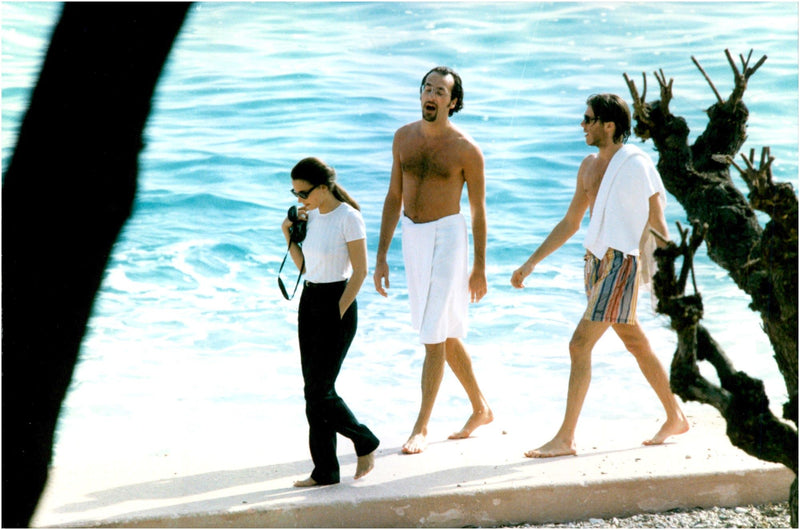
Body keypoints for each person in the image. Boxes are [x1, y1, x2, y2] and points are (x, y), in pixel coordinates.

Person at [510, 94, 690, 458]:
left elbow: (657, 222)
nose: (582, 125)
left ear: (609, 125)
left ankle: (565, 438)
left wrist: (668, 275)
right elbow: (571, 222)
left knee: (579, 344)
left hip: (623, 262)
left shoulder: (637, 163)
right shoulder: (588, 167)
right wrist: (531, 263)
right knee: (635, 342)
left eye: (588, 119)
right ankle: (675, 415)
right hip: (594, 263)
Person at [373, 66, 493, 455]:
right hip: (413, 237)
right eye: (427, 87)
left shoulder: (466, 149)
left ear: (453, 102)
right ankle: (480, 407)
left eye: (441, 91)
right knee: (443, 330)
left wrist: (479, 266)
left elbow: (478, 211)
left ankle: (421, 427)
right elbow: (394, 197)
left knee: (431, 335)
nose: (432, 94)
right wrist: (381, 257)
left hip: (449, 238)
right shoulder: (403, 138)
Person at [281, 157, 379, 485]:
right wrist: (289, 235)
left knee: (321, 391)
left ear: (323, 188)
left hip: (337, 301)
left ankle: (364, 440)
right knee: (313, 391)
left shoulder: (348, 218)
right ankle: (325, 470)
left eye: (303, 192)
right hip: (309, 301)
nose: (299, 200)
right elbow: (305, 268)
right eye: (294, 193)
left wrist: (338, 310)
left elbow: (361, 271)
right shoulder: (312, 217)